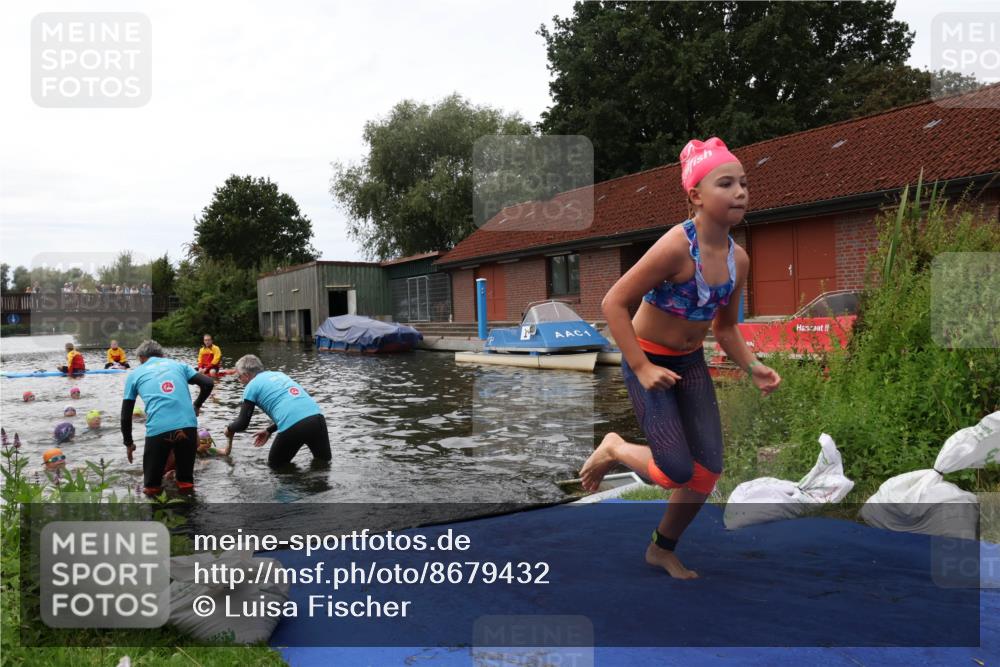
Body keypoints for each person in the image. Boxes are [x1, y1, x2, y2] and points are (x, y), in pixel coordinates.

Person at [579, 137, 782, 580]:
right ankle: (614, 445)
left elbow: (724, 328)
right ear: (696, 195)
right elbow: (613, 303)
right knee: (673, 470)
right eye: (726, 183)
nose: (741, 191)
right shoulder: (675, 247)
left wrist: (753, 366)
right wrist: (641, 367)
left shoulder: (738, 260)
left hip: (689, 364)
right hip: (647, 359)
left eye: (744, 183)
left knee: (706, 472)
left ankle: (661, 549)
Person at [119, 339, 214, 496]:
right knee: (185, 483)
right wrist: (196, 405)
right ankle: (190, 517)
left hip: (158, 429)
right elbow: (208, 383)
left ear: (141, 358)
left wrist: (128, 443)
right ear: (161, 354)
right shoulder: (179, 365)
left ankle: (157, 517)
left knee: (151, 487)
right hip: (188, 427)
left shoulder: (135, 374)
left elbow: (125, 416)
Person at [224, 354, 331, 467]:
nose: (239, 380)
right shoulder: (279, 375)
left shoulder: (251, 386)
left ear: (246, 375)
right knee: (323, 464)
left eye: (239, 377)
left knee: (276, 467)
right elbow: (295, 409)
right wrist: (269, 430)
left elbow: (242, 424)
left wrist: (229, 428)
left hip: (294, 425)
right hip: (317, 418)